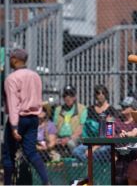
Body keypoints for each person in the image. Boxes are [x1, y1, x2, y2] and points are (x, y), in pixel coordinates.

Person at [2, 48, 49, 185]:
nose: (10, 60)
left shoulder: (11, 78)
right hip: (33, 118)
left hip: (19, 119)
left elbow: (13, 104)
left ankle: (8, 184)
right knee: (31, 152)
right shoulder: (35, 76)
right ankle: (46, 181)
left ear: (15, 59)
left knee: (8, 154)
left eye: (11, 57)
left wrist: (14, 126)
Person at [73, 85, 117, 162]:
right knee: (76, 151)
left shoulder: (111, 110)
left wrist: (95, 147)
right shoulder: (90, 110)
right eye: (98, 93)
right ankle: (90, 166)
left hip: (104, 143)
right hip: (90, 141)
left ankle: (92, 168)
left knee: (99, 152)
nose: (100, 95)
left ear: (106, 94)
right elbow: (84, 126)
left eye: (103, 93)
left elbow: (110, 134)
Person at [53, 85, 87, 155]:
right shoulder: (58, 109)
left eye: (71, 95)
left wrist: (69, 138)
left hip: (75, 138)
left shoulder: (82, 109)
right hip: (60, 137)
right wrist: (56, 138)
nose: (68, 98)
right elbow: (54, 127)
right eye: (65, 95)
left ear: (75, 97)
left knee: (70, 143)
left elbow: (81, 129)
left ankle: (75, 161)